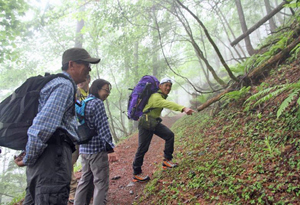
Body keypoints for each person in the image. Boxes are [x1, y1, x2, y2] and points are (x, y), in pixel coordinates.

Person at [14, 47, 100, 205]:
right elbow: (43, 124)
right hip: (52, 161)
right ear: (71, 64)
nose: (89, 68)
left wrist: (29, 154)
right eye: (86, 64)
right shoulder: (64, 86)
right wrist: (29, 156)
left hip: (41, 162)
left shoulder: (54, 83)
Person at [132, 77, 195, 182]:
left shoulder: (160, 95)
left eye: (170, 86)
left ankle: (167, 160)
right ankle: (136, 173)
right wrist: (183, 108)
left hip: (153, 122)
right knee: (143, 148)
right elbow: (167, 104)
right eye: (166, 85)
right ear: (160, 86)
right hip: (146, 123)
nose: (168, 88)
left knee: (169, 135)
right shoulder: (156, 97)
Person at [74, 79, 118, 205]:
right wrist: (110, 149)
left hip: (84, 149)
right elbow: (103, 127)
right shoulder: (97, 103)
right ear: (97, 89)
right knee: (101, 183)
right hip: (97, 150)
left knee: (84, 181)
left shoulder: (84, 102)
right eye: (106, 90)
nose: (108, 93)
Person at [69, 74, 91, 204]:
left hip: (88, 132)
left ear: (88, 80)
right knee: (71, 160)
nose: (81, 82)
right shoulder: (75, 92)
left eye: (84, 79)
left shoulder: (91, 92)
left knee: (88, 159)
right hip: (76, 131)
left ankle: (87, 189)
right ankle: (72, 190)